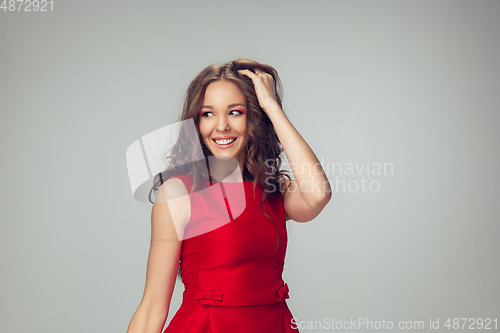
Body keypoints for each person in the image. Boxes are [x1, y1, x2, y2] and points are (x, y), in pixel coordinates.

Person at [126, 58, 332, 333]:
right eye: (208, 114)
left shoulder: (273, 190)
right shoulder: (178, 193)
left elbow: (318, 195)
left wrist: (271, 106)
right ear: (196, 122)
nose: (221, 126)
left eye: (235, 112)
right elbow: (153, 306)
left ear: (255, 118)